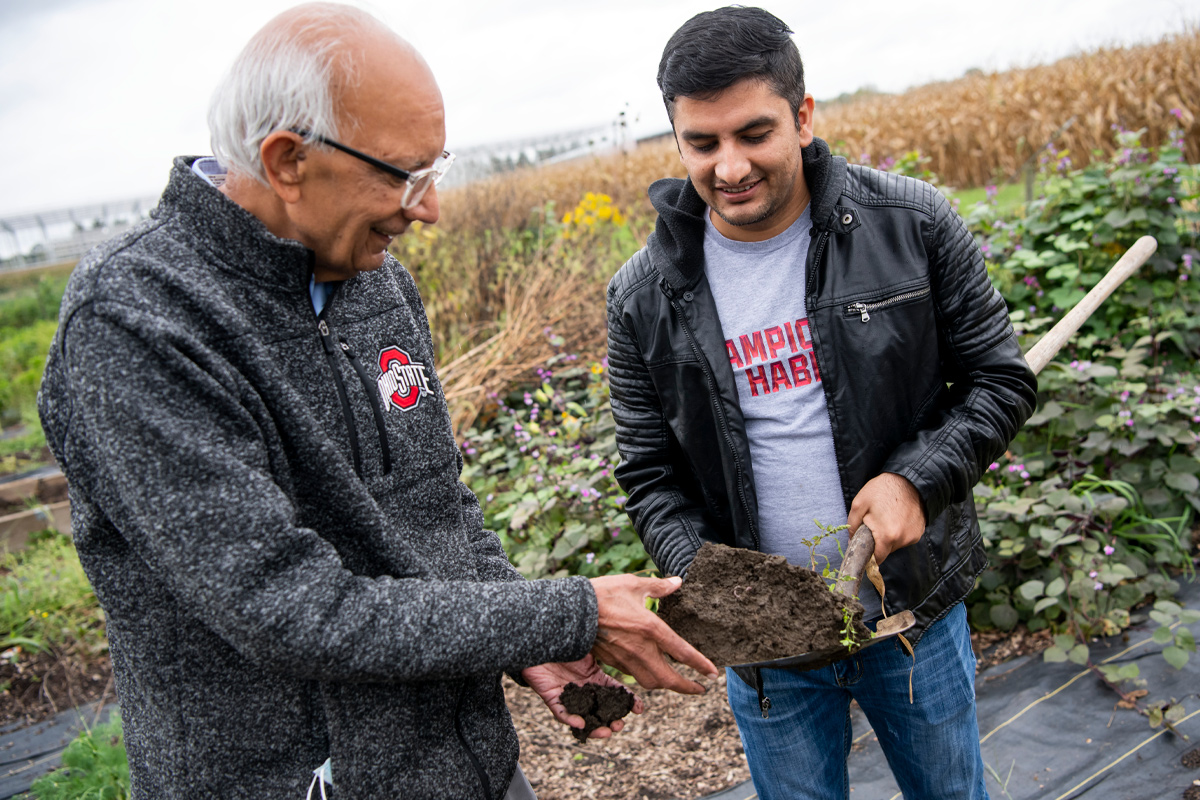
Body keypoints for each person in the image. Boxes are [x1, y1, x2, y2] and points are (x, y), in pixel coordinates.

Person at [37, 5, 717, 799]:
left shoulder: (374, 280)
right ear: (288, 160)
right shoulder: (137, 321)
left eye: (435, 170)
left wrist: (517, 633)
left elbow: (438, 506)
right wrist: (565, 614)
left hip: (471, 770)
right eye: (402, 174)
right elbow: (288, 608)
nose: (427, 207)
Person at [605, 7, 1037, 799]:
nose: (729, 166)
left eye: (753, 133)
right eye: (702, 143)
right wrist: (717, 587)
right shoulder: (642, 296)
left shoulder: (911, 224)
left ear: (803, 117)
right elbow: (649, 474)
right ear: (677, 141)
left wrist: (918, 479)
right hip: (770, 654)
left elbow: (999, 380)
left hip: (909, 620)